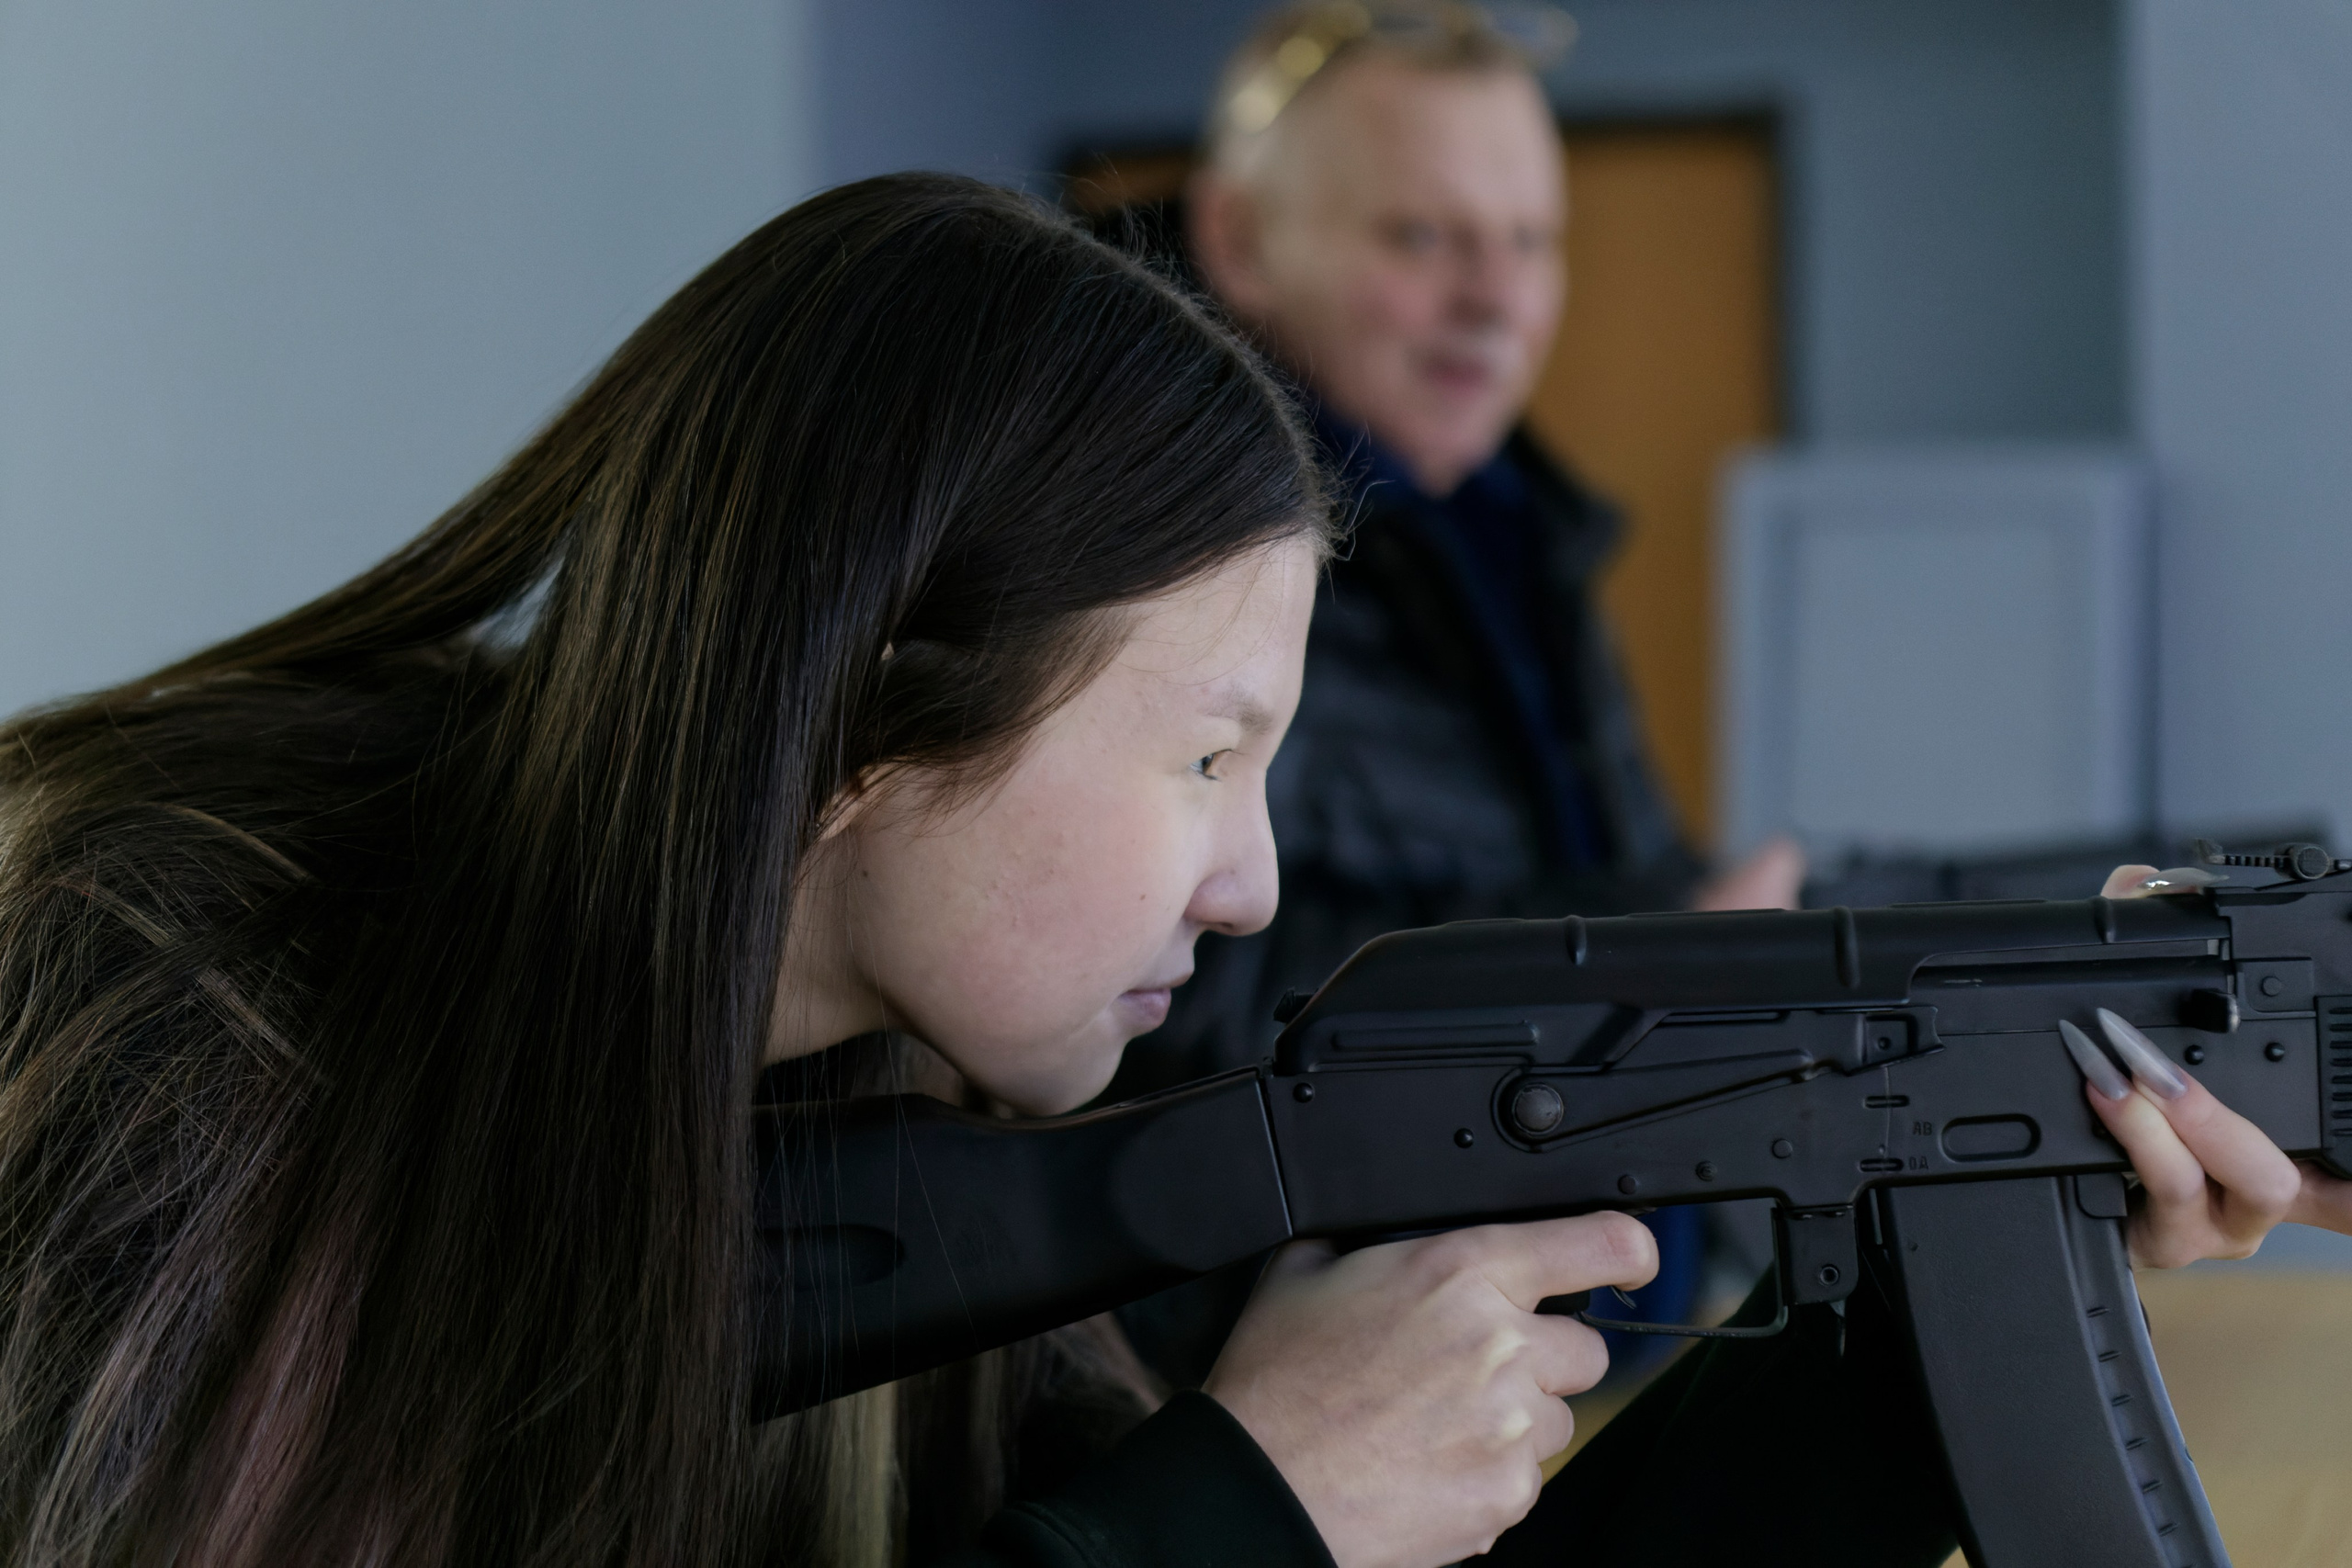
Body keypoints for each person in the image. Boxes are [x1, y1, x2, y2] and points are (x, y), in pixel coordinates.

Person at [0, 173, 2337, 1568]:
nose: (1243, 883)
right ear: (859, 721)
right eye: (1205, 751)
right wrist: (1234, 1512)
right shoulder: (162, 1016)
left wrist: (1898, 1364)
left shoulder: (887, 1140)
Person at [1104, 0, 1796, 1372]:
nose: (1496, 298)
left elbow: (1626, 866)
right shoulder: (1146, 543)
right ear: (1240, 240)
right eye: (1423, 238)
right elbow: (1163, 992)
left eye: (1532, 241)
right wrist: (1650, 935)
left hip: (1545, 1361)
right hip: (1263, 1398)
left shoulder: (1517, 538)